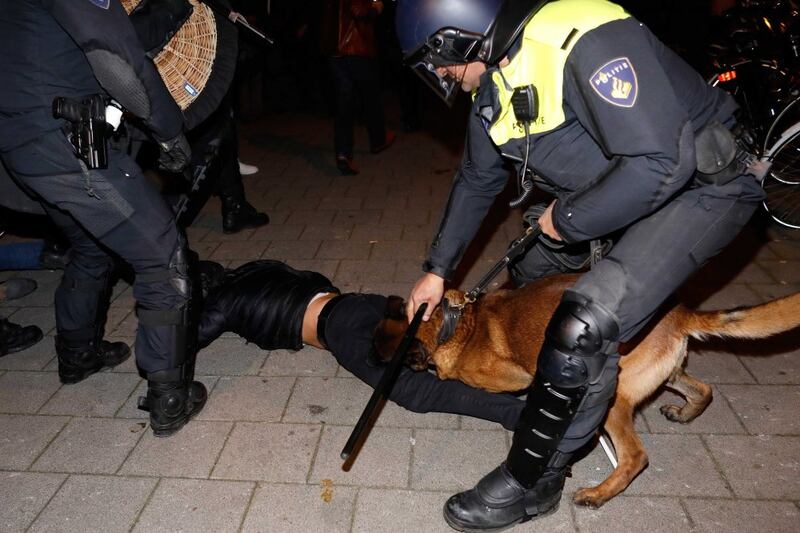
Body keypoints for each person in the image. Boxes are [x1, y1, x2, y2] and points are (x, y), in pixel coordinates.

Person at [397, 0, 765, 531]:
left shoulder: (582, 37)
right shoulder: (493, 84)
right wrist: (437, 270)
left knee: (582, 324)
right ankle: (571, 393)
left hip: (702, 188)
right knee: (526, 294)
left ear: (461, 31)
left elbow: (661, 160)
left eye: (436, 58)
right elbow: (477, 179)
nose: (440, 74)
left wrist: (567, 219)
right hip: (614, 199)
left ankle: (534, 478)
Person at [0, 0, 206, 437]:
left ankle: (78, 356)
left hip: (22, 147)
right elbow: (116, 61)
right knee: (163, 254)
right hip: (66, 148)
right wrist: (170, 134)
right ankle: (168, 397)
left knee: (92, 246)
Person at [198, 259, 525, 430]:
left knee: (415, 392)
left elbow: (189, 337)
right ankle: (510, 350)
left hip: (341, 331)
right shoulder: (259, 270)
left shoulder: (223, 302)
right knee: (429, 331)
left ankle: (520, 416)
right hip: (359, 303)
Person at [321, 0, 396, 175]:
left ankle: (343, 153)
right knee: (370, 94)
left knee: (344, 100)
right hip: (354, 46)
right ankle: (378, 140)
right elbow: (358, 10)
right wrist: (376, 8)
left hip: (334, 47)